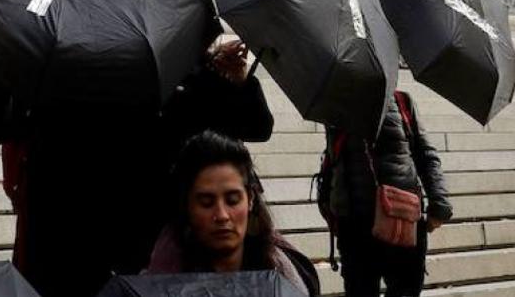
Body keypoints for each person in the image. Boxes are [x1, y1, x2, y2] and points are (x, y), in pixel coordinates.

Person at [0, 37, 274, 297]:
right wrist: (4, 54)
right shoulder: (55, 62)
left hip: (149, 257)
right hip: (64, 247)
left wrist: (237, 80)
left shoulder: (180, 71)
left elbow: (257, 125)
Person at [146, 130, 318, 295]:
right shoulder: (165, 274)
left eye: (232, 200)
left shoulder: (280, 273)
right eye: (206, 203)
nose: (222, 215)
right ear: (187, 206)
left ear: (250, 199)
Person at [322, 91, 451, 297]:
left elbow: (426, 155)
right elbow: (333, 160)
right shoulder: (337, 106)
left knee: (405, 289)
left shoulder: (402, 102)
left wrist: (440, 204)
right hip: (357, 225)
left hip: (400, 220)